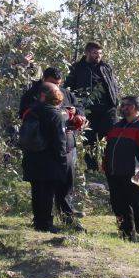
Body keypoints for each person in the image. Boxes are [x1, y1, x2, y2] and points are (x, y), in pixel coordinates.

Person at [20, 67, 87, 229]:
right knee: (44, 188)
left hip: (67, 145)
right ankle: (43, 222)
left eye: (58, 84)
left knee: (64, 187)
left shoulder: (65, 93)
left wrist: (77, 114)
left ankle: (67, 218)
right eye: (53, 84)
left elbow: (80, 109)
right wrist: (62, 115)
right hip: (48, 149)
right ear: (44, 80)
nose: (57, 88)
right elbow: (25, 114)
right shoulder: (33, 95)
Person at [102, 96, 139, 242]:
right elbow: (108, 148)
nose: (123, 107)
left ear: (135, 107)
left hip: (136, 174)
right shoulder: (117, 126)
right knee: (119, 204)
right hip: (114, 173)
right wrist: (105, 165)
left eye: (127, 105)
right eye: (123, 105)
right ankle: (126, 234)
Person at [64, 41, 121, 171]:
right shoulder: (77, 68)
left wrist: (116, 100)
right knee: (88, 141)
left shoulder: (106, 67)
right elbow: (69, 88)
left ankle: (109, 167)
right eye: (95, 53)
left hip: (108, 110)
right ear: (87, 52)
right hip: (88, 109)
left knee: (111, 139)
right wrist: (75, 107)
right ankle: (92, 169)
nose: (98, 56)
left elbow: (113, 86)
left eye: (100, 53)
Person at [21, 83, 69, 233]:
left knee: (36, 191)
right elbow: (60, 141)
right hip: (49, 160)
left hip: (31, 157)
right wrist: (62, 161)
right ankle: (46, 224)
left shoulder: (30, 112)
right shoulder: (56, 114)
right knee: (47, 192)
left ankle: (38, 221)